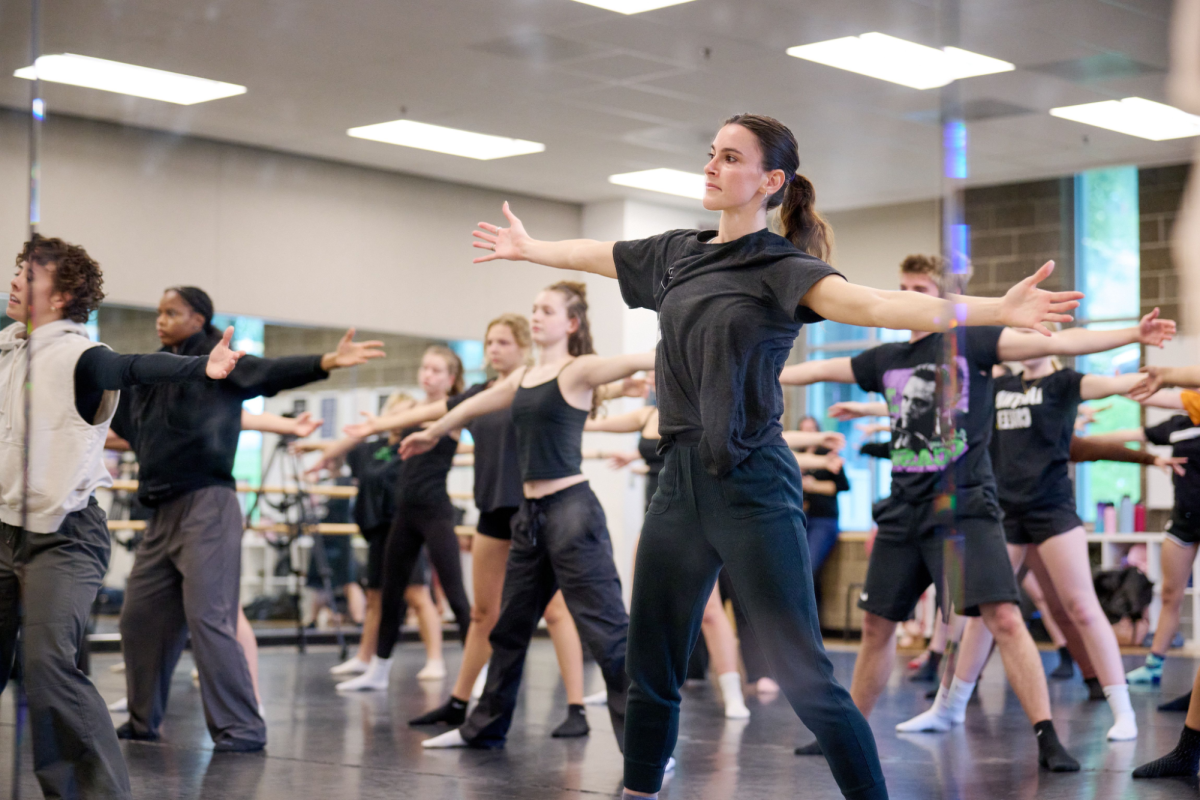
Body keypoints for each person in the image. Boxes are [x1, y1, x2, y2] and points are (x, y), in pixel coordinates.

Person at [455, 113, 1085, 799]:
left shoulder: (784, 269)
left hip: (753, 487)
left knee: (805, 677)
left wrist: (995, 309)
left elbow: (877, 305)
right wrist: (530, 247)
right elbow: (596, 253)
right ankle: (640, 789)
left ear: (770, 181)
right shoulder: (675, 254)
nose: (712, 166)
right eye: (711, 154)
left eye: (730, 157)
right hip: (678, 482)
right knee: (651, 664)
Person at [781, 251, 1172, 772]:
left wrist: (1132, 334)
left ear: (942, 300)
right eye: (903, 288)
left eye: (920, 289)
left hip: (966, 507)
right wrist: (757, 364)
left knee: (1004, 617)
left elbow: (1062, 341)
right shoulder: (886, 358)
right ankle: (847, 732)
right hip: (904, 510)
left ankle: (1047, 736)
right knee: (877, 626)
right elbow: (816, 368)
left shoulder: (974, 342)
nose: (907, 297)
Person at [0, 237, 244, 799]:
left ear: (60, 298)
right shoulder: (11, 349)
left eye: (27, 276)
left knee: (48, 667)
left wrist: (201, 367)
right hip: (6, 530)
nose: (14, 282)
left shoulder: (79, 356)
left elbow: (131, 366)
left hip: (62, 537)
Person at [113, 285, 384, 751]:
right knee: (139, 617)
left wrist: (326, 362)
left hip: (207, 505)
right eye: (158, 312)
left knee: (210, 618)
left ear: (199, 318)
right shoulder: (155, 372)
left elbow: (269, 372)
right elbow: (126, 429)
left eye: (171, 312)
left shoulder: (219, 361)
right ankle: (141, 721)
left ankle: (241, 728)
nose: (161, 319)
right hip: (160, 512)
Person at [400, 282, 653, 753]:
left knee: (607, 633)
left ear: (571, 324)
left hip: (572, 513)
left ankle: (647, 748)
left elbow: (642, 359)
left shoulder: (579, 370)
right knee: (509, 628)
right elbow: (474, 405)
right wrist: (433, 432)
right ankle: (484, 727)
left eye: (547, 311)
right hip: (529, 516)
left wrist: (704, 339)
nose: (536, 316)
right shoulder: (523, 377)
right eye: (534, 309)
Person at [879, 347, 1173, 742]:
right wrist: (874, 414)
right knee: (983, 613)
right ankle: (948, 709)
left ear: (1054, 342)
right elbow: (939, 404)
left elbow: (1109, 387)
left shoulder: (1064, 382)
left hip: (1052, 511)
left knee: (1082, 606)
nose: (1029, 345)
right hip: (1005, 512)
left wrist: (1150, 375)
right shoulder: (999, 386)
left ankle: (1124, 712)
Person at [339, 315, 591, 737]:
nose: (494, 349)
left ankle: (577, 707)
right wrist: (379, 425)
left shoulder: (535, 385)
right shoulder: (479, 393)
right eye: (490, 341)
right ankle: (458, 702)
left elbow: (587, 388)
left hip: (534, 507)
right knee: (481, 612)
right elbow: (435, 410)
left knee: (555, 610)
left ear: (523, 346)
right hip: (493, 510)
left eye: (504, 342)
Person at [585, 390, 750, 719]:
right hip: (655, 517)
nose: (652, 375)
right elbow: (590, 421)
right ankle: (627, 683)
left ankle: (733, 693)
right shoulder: (647, 415)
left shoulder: (706, 407)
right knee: (640, 607)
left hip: (697, 518)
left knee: (710, 611)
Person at [334, 346, 474, 691]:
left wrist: (384, 422)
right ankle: (378, 670)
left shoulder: (455, 411)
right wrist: (329, 454)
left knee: (455, 594)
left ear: (451, 379)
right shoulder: (410, 411)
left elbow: (406, 422)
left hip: (435, 511)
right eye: (425, 368)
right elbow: (367, 435)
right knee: (389, 593)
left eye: (437, 370)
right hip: (404, 512)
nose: (428, 375)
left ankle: (478, 669)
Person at [300, 393, 446, 681]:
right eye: (395, 413)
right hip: (377, 529)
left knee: (417, 594)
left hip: (405, 529)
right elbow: (344, 447)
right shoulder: (373, 448)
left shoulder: (415, 446)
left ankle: (435, 659)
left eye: (405, 415)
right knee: (375, 596)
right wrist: (319, 449)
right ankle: (364, 658)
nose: (398, 421)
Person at [1091, 381, 1200, 689]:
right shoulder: (1178, 426)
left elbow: (1164, 395)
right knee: (1169, 594)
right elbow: (1133, 435)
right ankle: (1153, 666)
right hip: (1184, 521)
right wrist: (1079, 440)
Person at [789, 415, 850, 587]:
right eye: (804, 430)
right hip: (798, 520)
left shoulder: (827, 454)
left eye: (812, 429)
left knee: (809, 568)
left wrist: (815, 485)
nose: (808, 433)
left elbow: (843, 486)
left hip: (823, 519)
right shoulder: (793, 454)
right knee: (795, 570)